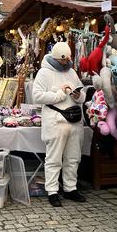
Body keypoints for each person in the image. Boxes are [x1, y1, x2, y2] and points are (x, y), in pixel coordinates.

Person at [32, 41, 87, 207]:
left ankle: (70, 188)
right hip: (56, 120)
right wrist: (59, 94)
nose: (66, 62)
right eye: (63, 60)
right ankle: (52, 190)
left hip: (74, 120)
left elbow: (83, 94)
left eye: (67, 59)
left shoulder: (71, 71)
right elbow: (37, 96)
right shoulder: (43, 73)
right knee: (54, 159)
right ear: (56, 58)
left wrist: (78, 96)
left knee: (73, 158)